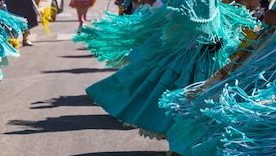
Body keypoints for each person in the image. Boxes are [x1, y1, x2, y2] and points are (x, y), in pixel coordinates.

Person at [85, 0, 255, 142]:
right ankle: (181, 140)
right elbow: (182, 16)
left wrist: (156, 4)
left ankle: (188, 141)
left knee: (197, 99)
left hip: (204, 53)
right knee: (177, 96)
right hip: (186, 52)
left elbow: (197, 16)